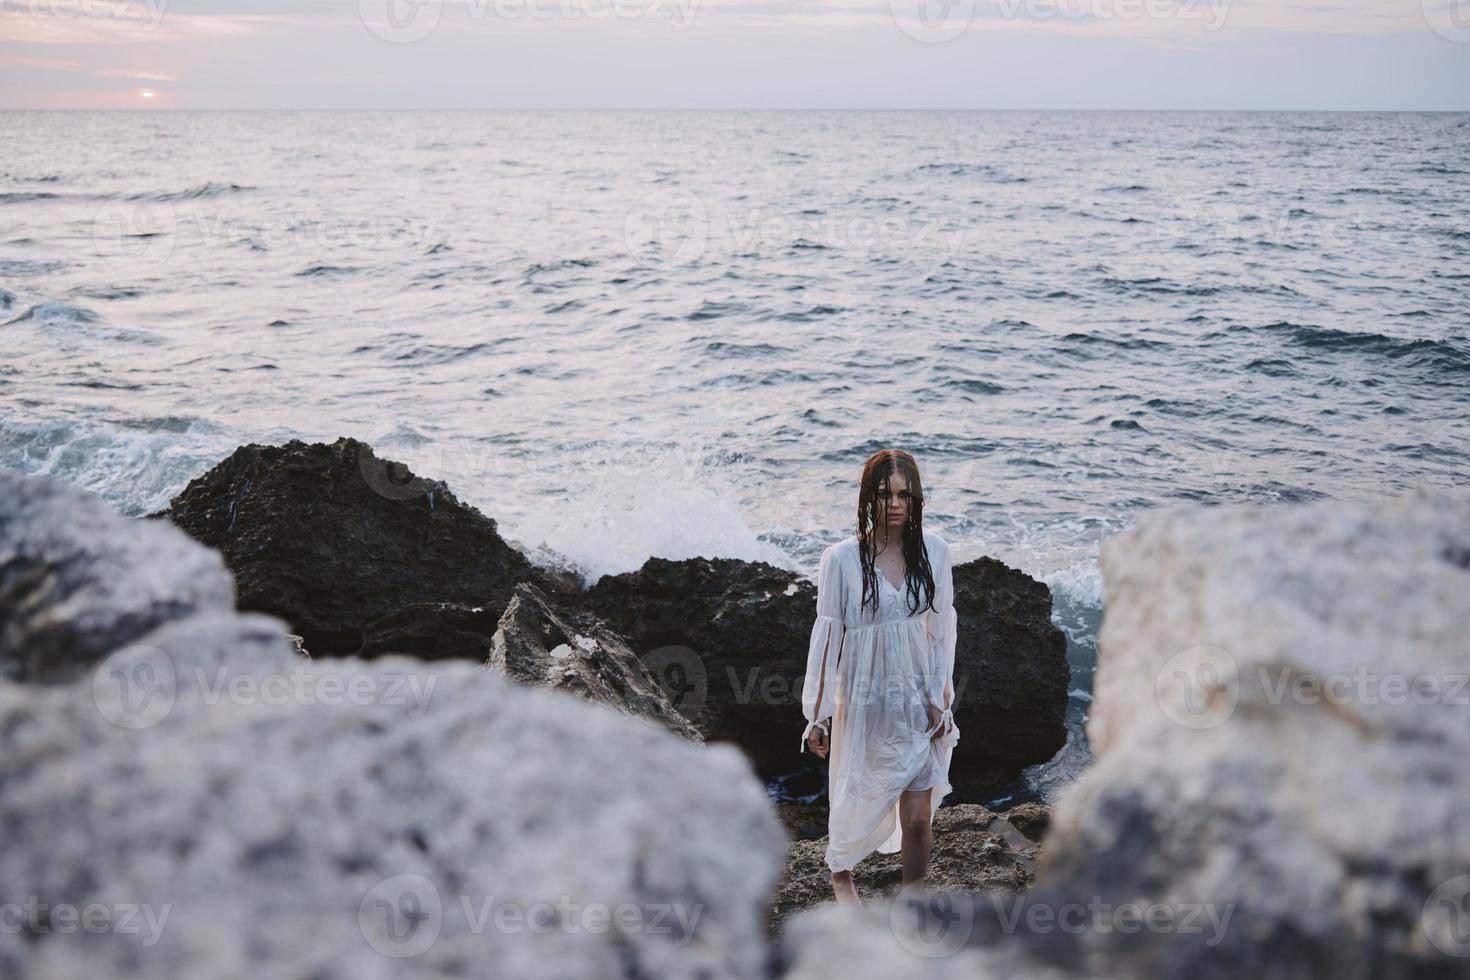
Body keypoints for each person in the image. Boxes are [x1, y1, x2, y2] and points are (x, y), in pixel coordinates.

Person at [798, 448, 959, 907]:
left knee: (917, 818)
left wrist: (939, 699)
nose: (895, 504)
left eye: (904, 494)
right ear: (869, 497)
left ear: (916, 499)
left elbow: (940, 633)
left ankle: (912, 903)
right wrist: (819, 715)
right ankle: (841, 874)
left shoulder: (936, 552)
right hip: (865, 700)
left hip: (914, 700)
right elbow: (827, 641)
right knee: (852, 792)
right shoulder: (842, 560)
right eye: (886, 494)